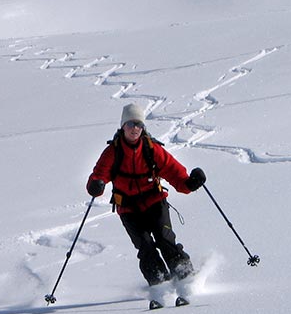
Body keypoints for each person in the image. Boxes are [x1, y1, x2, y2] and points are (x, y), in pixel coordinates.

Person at [86, 103, 206, 288]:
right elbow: (98, 176)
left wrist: (190, 183)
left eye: (139, 124)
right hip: (128, 208)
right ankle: (160, 285)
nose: (135, 128)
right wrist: (95, 186)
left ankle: (186, 277)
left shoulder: (152, 149)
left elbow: (174, 172)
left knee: (165, 240)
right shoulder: (113, 153)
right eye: (130, 124)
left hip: (155, 202)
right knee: (145, 246)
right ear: (123, 126)